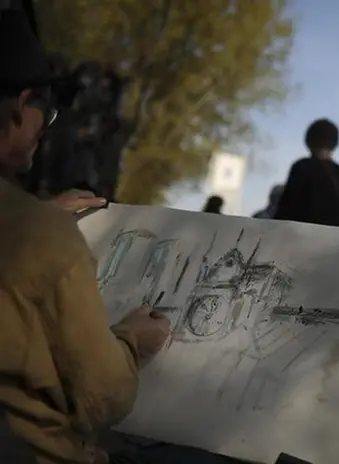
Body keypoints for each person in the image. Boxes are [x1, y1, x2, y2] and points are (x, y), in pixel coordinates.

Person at [0, 7, 228, 463]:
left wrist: (37, 216)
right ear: (21, 105)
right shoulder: (42, 239)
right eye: (45, 119)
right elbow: (103, 397)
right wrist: (129, 339)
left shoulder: (31, 227)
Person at [274, 118, 339, 227]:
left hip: (297, 239)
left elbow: (285, 212)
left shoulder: (301, 167)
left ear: (308, 141)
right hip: (331, 242)